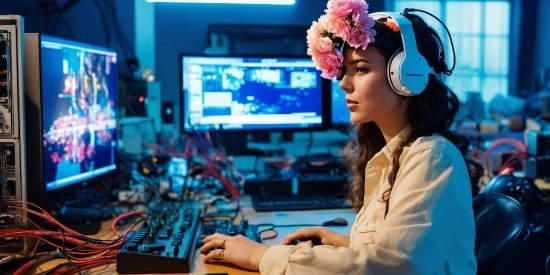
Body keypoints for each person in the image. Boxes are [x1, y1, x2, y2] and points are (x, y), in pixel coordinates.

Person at [199, 0, 484, 274]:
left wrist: (260, 255)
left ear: (407, 75)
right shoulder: (396, 154)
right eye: (345, 71)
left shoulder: (431, 158)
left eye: (361, 69)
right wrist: (342, 243)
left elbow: (394, 268)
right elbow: (397, 253)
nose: (344, 84)